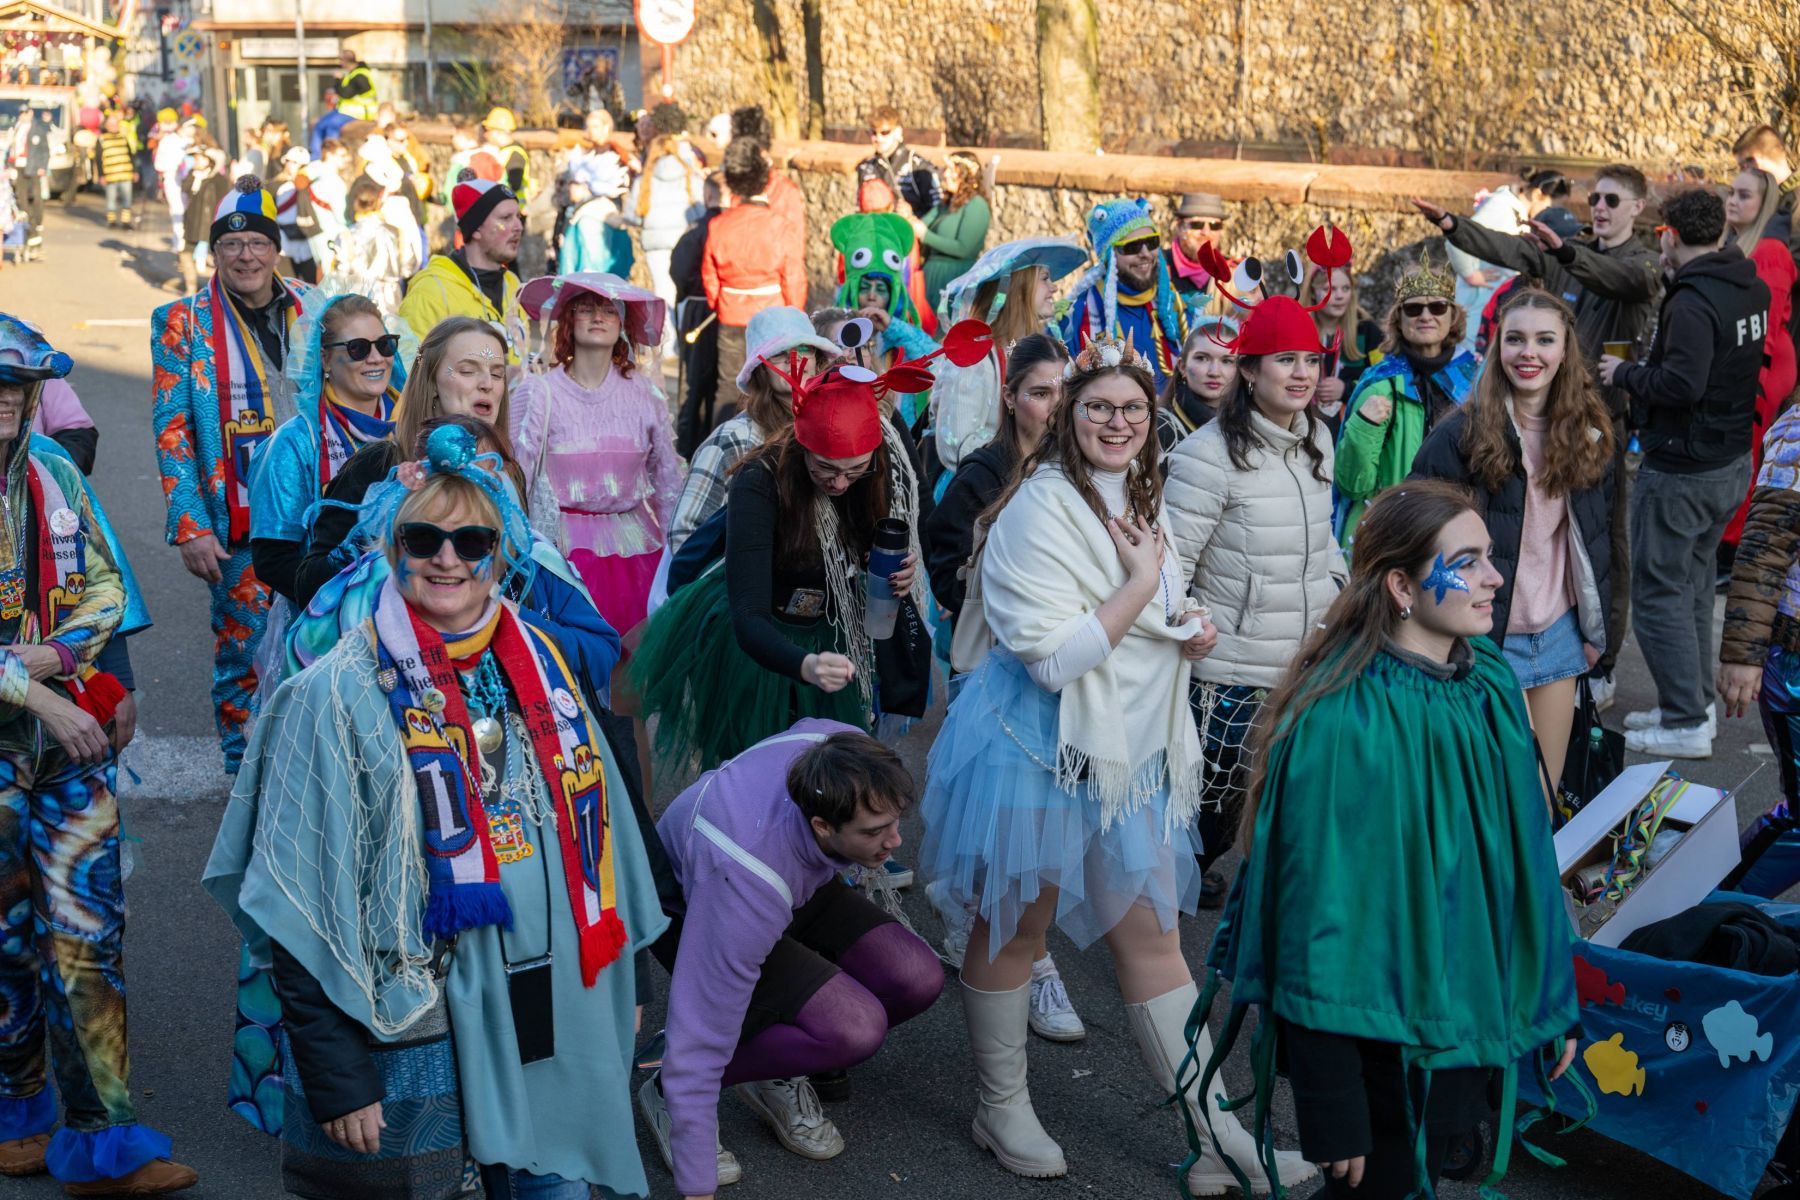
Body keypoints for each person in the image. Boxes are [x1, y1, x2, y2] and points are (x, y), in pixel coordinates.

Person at [205, 424, 666, 1200]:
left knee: (553, 1189)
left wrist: (631, 982)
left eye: (471, 541)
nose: (447, 559)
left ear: (503, 557)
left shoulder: (543, 666)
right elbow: (296, 896)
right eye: (423, 539)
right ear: (393, 550)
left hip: (552, 1010)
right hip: (415, 1026)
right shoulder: (331, 695)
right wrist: (339, 1075)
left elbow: (604, 839)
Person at [918, 334, 1312, 1195]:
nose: (1117, 422)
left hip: (1125, 750)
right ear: (1068, 415)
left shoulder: (1141, 492)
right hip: (1036, 746)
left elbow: (1149, 610)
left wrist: (1188, 622)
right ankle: (1000, 1108)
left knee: (1156, 941)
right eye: (1098, 406)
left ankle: (1216, 1139)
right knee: (1014, 928)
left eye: (1133, 408)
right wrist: (1141, 586)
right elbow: (1054, 660)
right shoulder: (1035, 509)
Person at [1199, 479, 1578, 1200]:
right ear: (1402, 586)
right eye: (1466, 562)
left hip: (1468, 1011)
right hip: (1377, 1042)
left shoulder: (1491, 684)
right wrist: (1331, 1098)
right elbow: (1315, 920)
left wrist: (1548, 995)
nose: (1495, 578)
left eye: (1490, 557)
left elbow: (1524, 859)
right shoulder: (1344, 720)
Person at [638, 724, 942, 1197]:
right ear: (822, 825)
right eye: (874, 832)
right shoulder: (743, 887)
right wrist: (698, 1187)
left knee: (917, 977)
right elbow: (699, 1041)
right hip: (702, 906)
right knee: (854, 1028)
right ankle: (665, 1091)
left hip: (795, 875)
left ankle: (777, 1058)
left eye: (894, 822)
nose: (895, 842)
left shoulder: (838, 746)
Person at [1414, 164, 1660, 705]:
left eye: (1612, 200)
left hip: (1592, 423)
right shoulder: (1464, 432)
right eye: (1595, 198)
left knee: (1598, 539)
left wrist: (1597, 641)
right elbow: (1512, 251)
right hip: (1495, 626)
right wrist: (1455, 226)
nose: (1600, 207)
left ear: (1638, 207)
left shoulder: (1640, 263)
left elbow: (1623, 281)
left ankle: (1602, 664)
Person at [633, 341, 942, 767]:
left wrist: (895, 573)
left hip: (828, 629)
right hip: (760, 639)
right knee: (760, 772)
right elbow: (748, 616)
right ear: (802, 446)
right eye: (825, 468)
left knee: (827, 775)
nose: (839, 483)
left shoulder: (872, 474)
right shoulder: (759, 481)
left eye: (853, 470)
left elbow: (863, 550)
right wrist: (807, 665)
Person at [921, 333, 1089, 1041]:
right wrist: (986, 592)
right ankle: (1030, 958)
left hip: (1061, 669)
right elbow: (941, 552)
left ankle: (984, 915)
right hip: (993, 667)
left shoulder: (1082, 466)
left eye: (1062, 392)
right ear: (1011, 397)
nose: (1052, 406)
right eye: (1039, 392)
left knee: (1041, 820)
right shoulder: (984, 472)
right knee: (1002, 817)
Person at [1164, 284, 1343, 916]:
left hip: (1305, 659)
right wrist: (1191, 622)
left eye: (1311, 360)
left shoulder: (1319, 437)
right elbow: (1172, 568)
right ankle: (1162, 899)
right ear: (1248, 370)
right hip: (1231, 673)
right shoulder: (1205, 457)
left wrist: (1338, 590)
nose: (1302, 374)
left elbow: (1324, 536)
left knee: (1288, 804)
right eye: (1285, 360)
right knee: (1215, 810)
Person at [1410, 287, 1615, 789]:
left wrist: (1600, 636)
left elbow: (1606, 541)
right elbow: (1416, 538)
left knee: (1544, 799)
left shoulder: (1589, 433)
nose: (1529, 353)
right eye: (1516, 339)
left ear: (1564, 350)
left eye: (1545, 340)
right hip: (1488, 640)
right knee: (1503, 795)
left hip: (1560, 636)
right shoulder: (1459, 435)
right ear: (1497, 345)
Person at [150, 176, 318, 772]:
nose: (246, 256)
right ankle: (244, 777)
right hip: (238, 522)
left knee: (323, 640)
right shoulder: (181, 320)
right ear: (214, 251)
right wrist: (191, 525)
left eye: (258, 243)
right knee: (244, 654)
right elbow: (172, 429)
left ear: (276, 249)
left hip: (319, 510)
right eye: (231, 244)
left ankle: (310, 771)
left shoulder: (315, 305)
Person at [1601, 187, 1770, 758]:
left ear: (1670, 235)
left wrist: (1623, 375)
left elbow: (1682, 383)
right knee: (1693, 588)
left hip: (1684, 470)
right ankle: (1693, 706)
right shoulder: (1748, 284)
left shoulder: (1694, 300)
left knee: (1657, 595)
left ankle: (1685, 720)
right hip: (1728, 462)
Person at [294, 319, 511, 610]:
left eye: (497, 374)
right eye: (467, 371)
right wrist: (369, 533)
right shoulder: (379, 465)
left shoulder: (508, 475)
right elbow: (308, 585)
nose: (487, 384)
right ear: (431, 382)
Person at [512, 274, 679, 635]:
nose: (598, 317)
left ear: (622, 325)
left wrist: (677, 557)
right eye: (586, 309)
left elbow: (667, 482)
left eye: (609, 310)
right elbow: (514, 481)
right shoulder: (539, 393)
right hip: (560, 552)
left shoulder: (645, 394)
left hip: (639, 551)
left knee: (634, 659)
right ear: (569, 322)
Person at [248, 294, 400, 608]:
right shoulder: (294, 443)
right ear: (325, 359)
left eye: (385, 345)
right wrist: (344, 602)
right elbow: (273, 560)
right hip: (323, 615)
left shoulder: (411, 428)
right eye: (358, 348)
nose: (376, 358)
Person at [664, 305, 836, 559]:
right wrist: (744, 568)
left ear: (816, 359)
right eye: (779, 354)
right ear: (760, 370)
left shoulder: (831, 428)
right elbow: (684, 533)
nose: (793, 361)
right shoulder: (734, 439)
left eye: (802, 349)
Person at [1334, 255, 1479, 554]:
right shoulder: (1379, 383)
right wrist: (1364, 426)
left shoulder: (1477, 382)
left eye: (1437, 307)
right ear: (1399, 319)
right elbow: (1352, 485)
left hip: (1459, 529)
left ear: (1452, 316)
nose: (1426, 316)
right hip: (1395, 537)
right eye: (1413, 308)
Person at [928, 236, 1088, 474]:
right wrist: (1029, 460)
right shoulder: (975, 357)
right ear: (1018, 287)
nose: (1054, 287)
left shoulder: (1025, 351)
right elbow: (957, 445)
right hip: (983, 489)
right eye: (1044, 278)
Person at [1721, 166, 1799, 564]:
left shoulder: (1770, 251)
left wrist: (1753, 380)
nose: (1733, 201)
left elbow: (1766, 322)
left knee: (1750, 452)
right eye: (1731, 192)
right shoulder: (1738, 245)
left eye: (1744, 195)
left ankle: (1734, 545)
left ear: (1764, 203)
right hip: (1747, 362)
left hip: (1762, 367)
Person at [703, 139, 807, 417]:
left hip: (731, 314)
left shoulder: (718, 225)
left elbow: (710, 278)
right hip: (773, 315)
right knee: (775, 386)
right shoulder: (780, 226)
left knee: (728, 386)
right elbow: (793, 277)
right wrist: (794, 313)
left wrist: (721, 304)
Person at [1060, 198, 1191, 390]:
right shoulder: (1075, 318)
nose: (1145, 253)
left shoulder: (1177, 308)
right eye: (1132, 246)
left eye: (1152, 242)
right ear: (1109, 255)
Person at [1443, 169, 1572, 352]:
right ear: (1537, 195)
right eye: (1551, 207)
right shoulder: (1502, 208)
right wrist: (1471, 274)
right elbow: (1456, 240)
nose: (1551, 215)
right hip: (1476, 311)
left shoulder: (1517, 214)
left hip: (1492, 313)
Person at [397, 178, 524, 363]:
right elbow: (409, 368)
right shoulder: (432, 290)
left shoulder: (514, 286)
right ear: (476, 228)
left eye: (518, 217)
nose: (519, 226)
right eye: (506, 218)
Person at [626, 103, 706, 350]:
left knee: (662, 291)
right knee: (683, 290)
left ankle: (669, 346)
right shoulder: (690, 174)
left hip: (655, 243)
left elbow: (633, 215)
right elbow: (700, 210)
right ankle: (687, 341)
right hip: (684, 239)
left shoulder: (645, 179)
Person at [671, 171, 725, 457]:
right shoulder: (726, 229)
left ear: (707, 195)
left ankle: (689, 449)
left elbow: (679, 272)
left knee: (694, 385)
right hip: (721, 309)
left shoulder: (696, 231)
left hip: (699, 308)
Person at [1300, 262, 1381, 435]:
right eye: (1329, 289)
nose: (1339, 296)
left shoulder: (1367, 331)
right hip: (1305, 427)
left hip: (1353, 429)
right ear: (1313, 292)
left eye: (1345, 288)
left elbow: (1383, 380)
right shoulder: (1298, 329)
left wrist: (1346, 389)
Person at [910, 151, 991, 316]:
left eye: (950, 170)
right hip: (929, 278)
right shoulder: (946, 204)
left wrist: (926, 236)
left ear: (966, 175)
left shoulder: (977, 205)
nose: (944, 174)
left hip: (954, 280)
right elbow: (920, 225)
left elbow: (964, 248)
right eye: (945, 169)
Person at [1156, 315, 1239, 451]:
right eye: (1202, 358)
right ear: (1182, 367)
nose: (1214, 372)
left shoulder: (1254, 424)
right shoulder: (1158, 427)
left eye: (1227, 361)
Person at [329, 177, 407, 315]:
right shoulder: (395, 232)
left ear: (356, 203)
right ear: (378, 202)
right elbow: (407, 265)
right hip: (391, 297)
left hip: (360, 299)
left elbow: (339, 275)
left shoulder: (347, 235)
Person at [856, 106, 940, 218]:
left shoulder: (918, 165)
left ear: (898, 132)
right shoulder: (866, 168)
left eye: (885, 132)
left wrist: (912, 214)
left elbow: (937, 211)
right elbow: (860, 210)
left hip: (909, 226)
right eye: (873, 133)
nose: (878, 139)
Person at [178, 145, 232, 295]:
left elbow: (224, 203)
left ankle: (222, 292)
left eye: (199, 158)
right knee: (185, 254)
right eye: (195, 158)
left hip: (212, 226)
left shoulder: (218, 180)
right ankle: (191, 289)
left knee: (219, 260)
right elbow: (185, 190)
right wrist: (194, 177)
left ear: (210, 161)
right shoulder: (193, 176)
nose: (195, 161)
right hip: (193, 224)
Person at [1164, 192, 1229, 310]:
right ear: (1179, 227)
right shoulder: (1159, 265)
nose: (1206, 232)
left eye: (1214, 225)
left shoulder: (1231, 272)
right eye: (1197, 224)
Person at [151, 112, 190, 253]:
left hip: (184, 179)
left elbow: (159, 164)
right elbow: (159, 164)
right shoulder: (170, 141)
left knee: (181, 209)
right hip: (174, 178)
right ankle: (180, 240)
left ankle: (183, 240)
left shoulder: (187, 141)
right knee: (178, 208)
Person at [480, 107, 534, 202]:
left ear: (498, 132)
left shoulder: (515, 154)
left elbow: (514, 184)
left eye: (489, 130)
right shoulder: (505, 151)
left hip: (514, 208)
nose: (486, 134)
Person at [13, 108, 46, 254]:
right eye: (20, 113)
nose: (22, 116)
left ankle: (37, 223)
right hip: (19, 167)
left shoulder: (38, 129)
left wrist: (42, 166)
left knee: (36, 198)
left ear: (30, 114)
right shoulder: (16, 128)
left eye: (24, 113)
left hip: (33, 168)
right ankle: (28, 225)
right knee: (22, 199)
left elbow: (45, 150)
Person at [97, 111, 134, 228]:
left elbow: (130, 154)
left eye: (115, 124)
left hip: (125, 174)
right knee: (111, 200)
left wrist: (135, 171)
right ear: (106, 126)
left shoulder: (123, 137)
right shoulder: (102, 139)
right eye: (111, 124)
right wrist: (101, 175)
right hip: (110, 175)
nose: (113, 127)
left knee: (127, 199)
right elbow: (98, 159)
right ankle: (111, 221)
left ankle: (126, 222)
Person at [332, 49, 378, 122]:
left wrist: (338, 80)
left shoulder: (359, 75)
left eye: (341, 60)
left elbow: (345, 94)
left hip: (360, 117)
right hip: (356, 116)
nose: (340, 63)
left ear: (345, 60)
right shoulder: (355, 74)